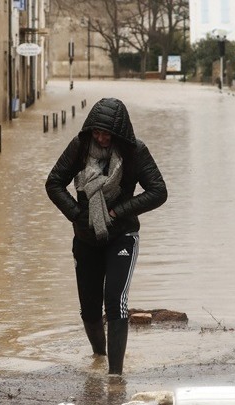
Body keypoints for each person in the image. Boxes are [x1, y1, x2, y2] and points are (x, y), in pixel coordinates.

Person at [45, 97, 167, 375]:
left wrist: (117, 212)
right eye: (96, 132)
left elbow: (158, 191)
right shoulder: (79, 147)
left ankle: (115, 377)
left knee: (115, 302)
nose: (100, 138)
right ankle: (99, 358)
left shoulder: (135, 152)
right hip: (85, 238)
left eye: (106, 133)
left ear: (119, 134)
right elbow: (53, 182)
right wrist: (78, 215)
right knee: (89, 309)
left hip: (122, 236)